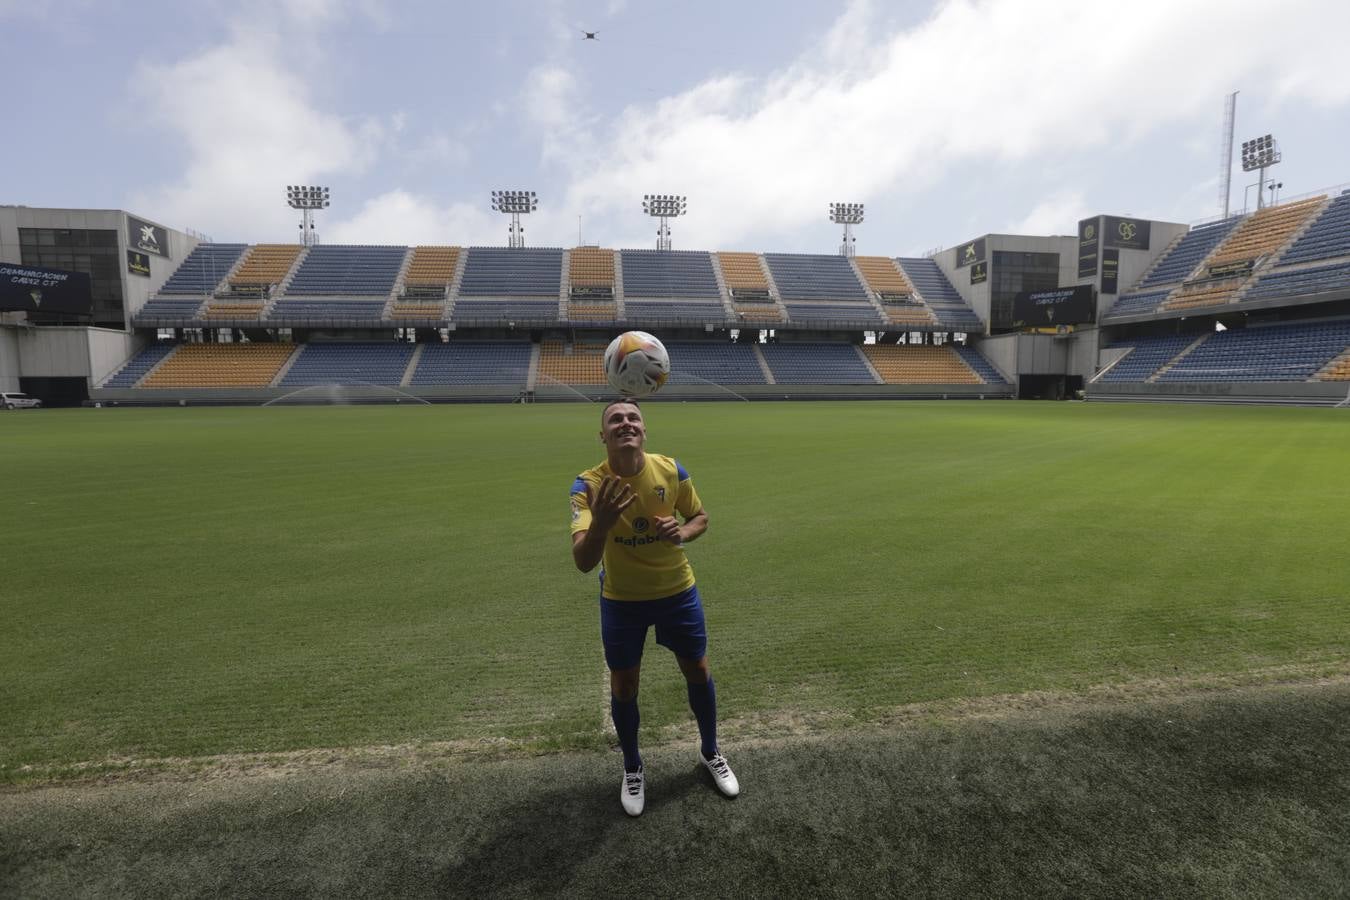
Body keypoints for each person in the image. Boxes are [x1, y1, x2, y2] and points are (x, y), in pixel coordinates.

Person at [570, 398, 739, 816]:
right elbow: (583, 561)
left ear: (644, 431)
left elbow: (701, 517)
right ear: (603, 435)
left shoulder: (670, 469)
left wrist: (681, 531)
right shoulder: (587, 486)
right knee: (624, 685)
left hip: (676, 591)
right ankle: (632, 767)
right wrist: (604, 524)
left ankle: (710, 751)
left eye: (633, 418)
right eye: (615, 419)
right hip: (622, 601)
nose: (625, 423)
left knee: (698, 670)